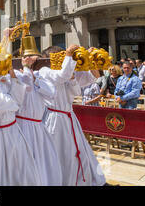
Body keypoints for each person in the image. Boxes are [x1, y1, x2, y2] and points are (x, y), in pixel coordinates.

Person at [40, 45, 107, 186]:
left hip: (69, 117)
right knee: (60, 153)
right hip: (54, 118)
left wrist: (90, 59)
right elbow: (61, 76)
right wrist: (70, 58)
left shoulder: (69, 71)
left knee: (77, 152)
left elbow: (95, 77)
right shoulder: (45, 71)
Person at [15, 55, 63, 186]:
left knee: (43, 162)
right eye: (27, 58)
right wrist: (26, 70)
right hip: (22, 126)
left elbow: (52, 93)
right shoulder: (16, 75)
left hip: (38, 126)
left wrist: (35, 78)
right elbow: (26, 86)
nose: (31, 60)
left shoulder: (38, 77)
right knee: (26, 162)